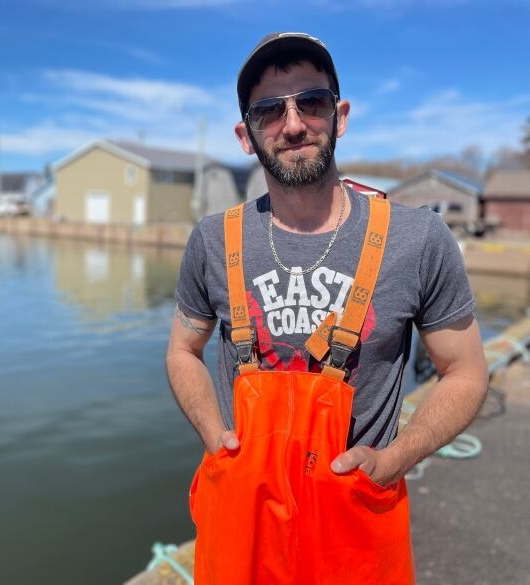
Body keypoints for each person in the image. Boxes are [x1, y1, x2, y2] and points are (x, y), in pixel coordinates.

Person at [166, 32, 488, 585]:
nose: (292, 125)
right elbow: (182, 351)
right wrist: (213, 433)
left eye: (310, 103)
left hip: (357, 529)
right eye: (269, 111)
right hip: (239, 523)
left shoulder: (418, 238)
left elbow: (466, 371)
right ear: (246, 136)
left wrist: (396, 459)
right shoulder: (213, 241)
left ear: (340, 115)